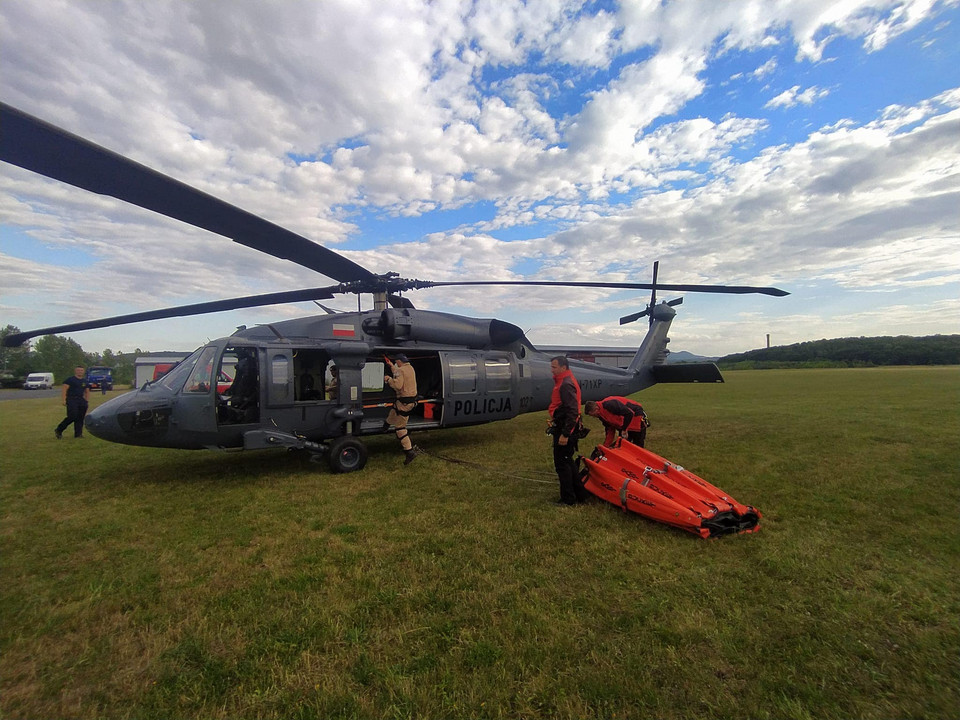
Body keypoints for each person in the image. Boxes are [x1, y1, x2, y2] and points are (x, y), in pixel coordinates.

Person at [548, 355, 588, 505]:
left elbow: (572, 410)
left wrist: (565, 433)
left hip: (566, 428)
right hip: (566, 426)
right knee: (568, 461)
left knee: (562, 464)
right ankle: (580, 494)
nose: (551, 370)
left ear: (563, 368)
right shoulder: (565, 381)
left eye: (554, 367)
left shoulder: (565, 384)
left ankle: (568, 499)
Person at [384, 353, 419, 464]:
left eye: (396, 362)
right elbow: (398, 372)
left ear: (399, 361)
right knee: (394, 409)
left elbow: (397, 385)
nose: (396, 364)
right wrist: (390, 365)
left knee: (400, 428)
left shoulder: (401, 370)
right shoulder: (410, 368)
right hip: (409, 401)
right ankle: (386, 425)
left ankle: (409, 452)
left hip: (404, 403)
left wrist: (388, 379)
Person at [584, 396, 649, 448]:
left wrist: (624, 429)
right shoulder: (601, 415)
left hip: (637, 419)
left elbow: (629, 413)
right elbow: (610, 430)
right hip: (625, 425)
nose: (594, 417)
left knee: (638, 446)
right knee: (621, 446)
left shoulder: (609, 404)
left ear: (596, 409)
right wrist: (606, 446)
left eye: (593, 415)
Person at [55, 366, 90, 439]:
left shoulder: (85, 381)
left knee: (80, 418)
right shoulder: (70, 380)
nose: (80, 372)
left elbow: (87, 391)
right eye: (78, 370)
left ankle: (78, 434)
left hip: (81, 399)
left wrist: (86, 401)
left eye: (81, 370)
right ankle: (59, 429)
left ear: (83, 372)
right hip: (72, 399)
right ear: (75, 371)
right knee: (72, 416)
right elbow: (64, 389)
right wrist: (64, 400)